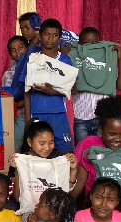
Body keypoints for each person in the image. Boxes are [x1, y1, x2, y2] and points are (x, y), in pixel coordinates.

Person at [73, 95, 121, 201]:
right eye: (112, 134)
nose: (118, 139)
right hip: (100, 204)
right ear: (100, 129)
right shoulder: (88, 144)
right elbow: (80, 181)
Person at [20, 19, 76, 151]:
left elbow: (73, 90)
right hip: (37, 113)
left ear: (59, 38)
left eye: (55, 35)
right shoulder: (32, 59)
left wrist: (53, 91)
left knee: (66, 152)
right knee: (39, 152)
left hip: (59, 113)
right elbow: (27, 92)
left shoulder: (65, 60)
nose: (50, 39)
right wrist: (28, 120)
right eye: (46, 34)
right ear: (40, 36)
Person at [68, 27, 121, 145]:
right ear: (79, 43)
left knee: (102, 153)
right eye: (86, 43)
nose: (90, 47)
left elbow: (120, 87)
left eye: (94, 43)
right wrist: (65, 58)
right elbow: (70, 89)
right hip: (81, 119)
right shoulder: (73, 56)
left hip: (103, 120)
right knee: (82, 151)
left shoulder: (106, 60)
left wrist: (119, 58)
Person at [8, 119, 78, 203]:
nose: (47, 148)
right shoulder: (20, 161)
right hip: (30, 209)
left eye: (51, 143)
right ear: (29, 142)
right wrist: (17, 170)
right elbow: (17, 197)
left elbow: (65, 191)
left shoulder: (58, 159)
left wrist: (73, 170)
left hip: (53, 208)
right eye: (42, 143)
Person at [2, 35, 29, 152]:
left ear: (28, 48)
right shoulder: (9, 74)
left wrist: (25, 101)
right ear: (10, 55)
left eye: (20, 47)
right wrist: (19, 103)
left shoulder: (37, 68)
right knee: (16, 148)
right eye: (13, 50)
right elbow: (8, 99)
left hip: (37, 115)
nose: (17, 51)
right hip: (19, 117)